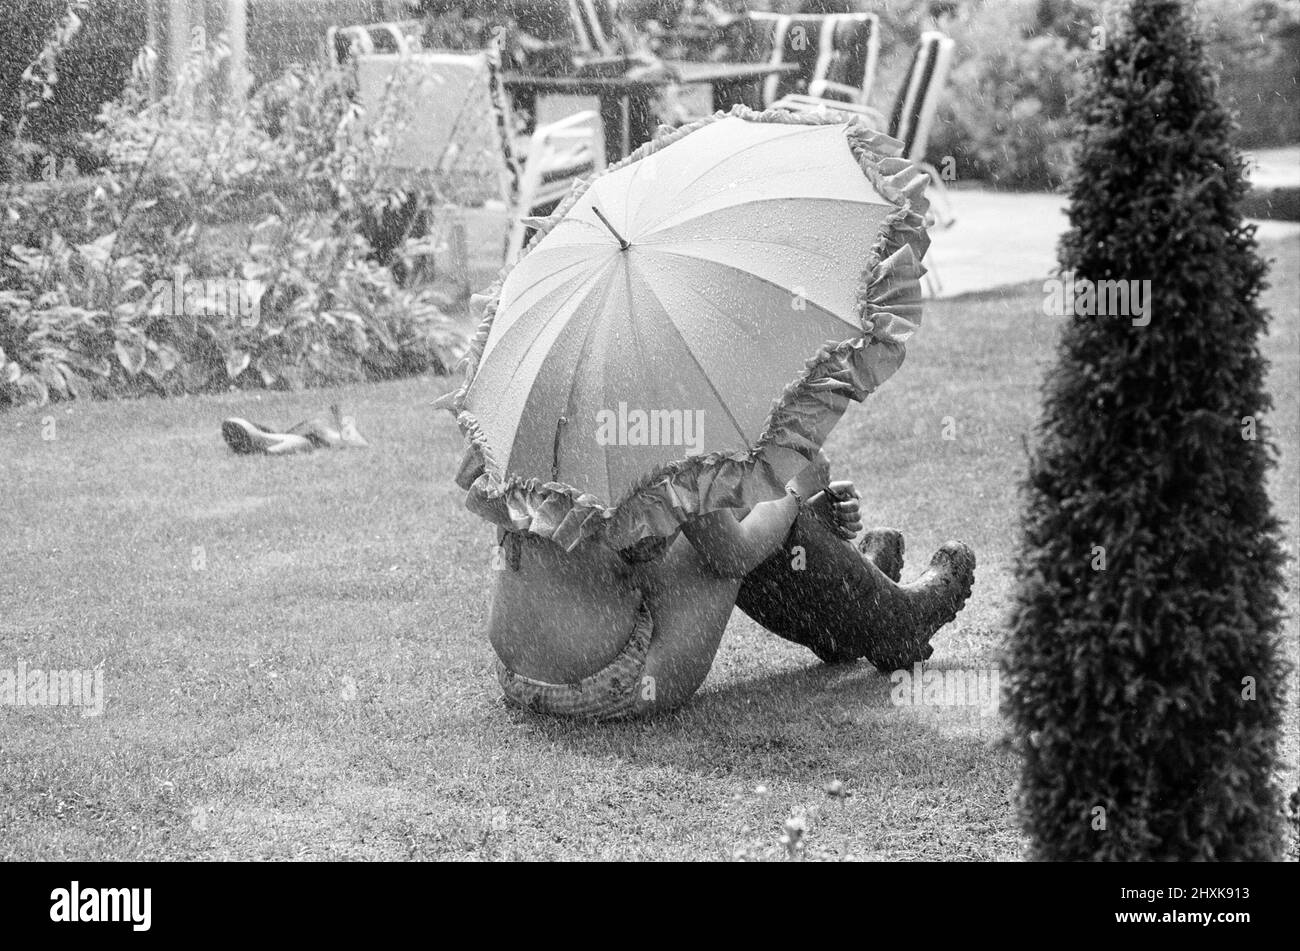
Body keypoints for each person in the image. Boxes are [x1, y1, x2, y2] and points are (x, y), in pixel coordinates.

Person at [489, 450, 975, 719]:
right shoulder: (658, 428)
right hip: (612, 683)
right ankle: (894, 622)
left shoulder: (535, 416)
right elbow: (733, 552)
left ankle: (853, 609)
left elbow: (621, 544)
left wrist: (794, 514)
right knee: (743, 509)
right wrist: (796, 490)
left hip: (521, 676)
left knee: (735, 506)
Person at [221, 404, 369, 455]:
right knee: (316, 427)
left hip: (312, 437)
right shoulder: (320, 428)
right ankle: (267, 438)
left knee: (315, 428)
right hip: (314, 435)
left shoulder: (321, 429)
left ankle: (266, 438)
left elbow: (358, 443)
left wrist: (341, 420)